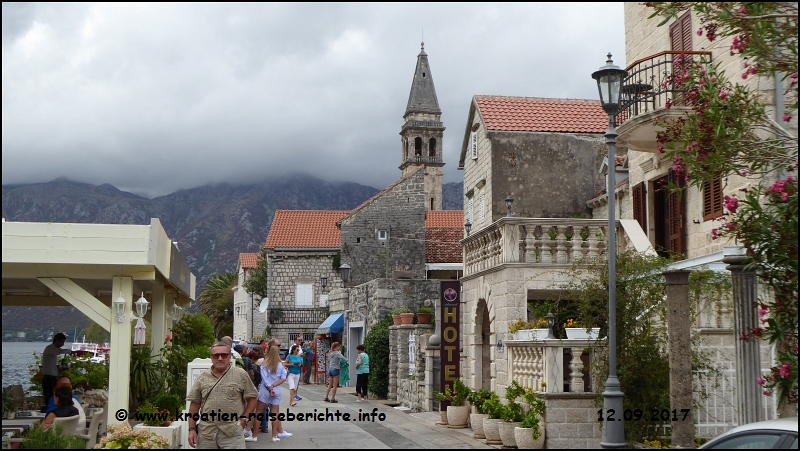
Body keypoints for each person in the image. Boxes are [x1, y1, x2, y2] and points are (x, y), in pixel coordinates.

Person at [187, 341, 258, 449]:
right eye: (216, 355)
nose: (220, 358)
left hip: (232, 432)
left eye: (224, 355)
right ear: (211, 358)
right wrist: (192, 429)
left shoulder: (240, 374)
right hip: (207, 433)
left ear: (229, 357)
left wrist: (243, 420)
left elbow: (252, 399)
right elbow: (194, 404)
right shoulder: (202, 377)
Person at [249, 345, 292, 443]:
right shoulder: (280, 365)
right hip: (276, 389)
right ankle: (274, 436)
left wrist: (269, 387)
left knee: (259, 412)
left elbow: (264, 378)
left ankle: (254, 435)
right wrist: (274, 386)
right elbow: (283, 378)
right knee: (275, 414)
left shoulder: (264, 363)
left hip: (265, 389)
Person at [41, 333, 71, 411]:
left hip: (52, 376)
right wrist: (70, 351)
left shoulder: (52, 350)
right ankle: (50, 413)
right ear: (56, 340)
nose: (62, 344)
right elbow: (59, 351)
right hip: (48, 377)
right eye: (62, 342)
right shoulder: (50, 348)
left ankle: (53, 412)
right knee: (50, 397)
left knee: (53, 396)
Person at [291, 336, 304, 401]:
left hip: (299, 365)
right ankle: (293, 395)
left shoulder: (300, 347)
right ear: (295, 341)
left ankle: (295, 394)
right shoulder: (293, 347)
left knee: (297, 381)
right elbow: (291, 356)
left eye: (301, 340)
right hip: (295, 366)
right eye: (299, 340)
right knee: (294, 382)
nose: (300, 341)